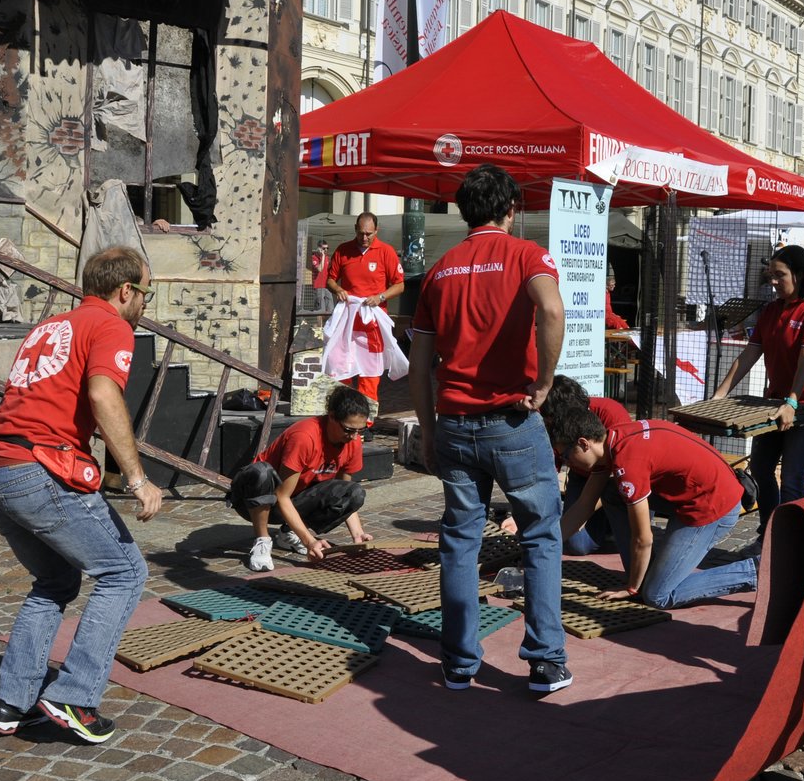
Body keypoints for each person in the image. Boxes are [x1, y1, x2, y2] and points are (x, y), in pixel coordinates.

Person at [0, 246, 163, 745]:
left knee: (56, 580)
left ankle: (10, 703)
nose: (145, 303)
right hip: (39, 470)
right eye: (147, 293)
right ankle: (73, 696)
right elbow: (104, 396)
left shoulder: (50, 325)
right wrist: (139, 480)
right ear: (126, 291)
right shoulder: (112, 325)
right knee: (124, 572)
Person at [408, 164, 571, 693]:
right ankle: (545, 660)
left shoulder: (439, 269)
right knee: (540, 537)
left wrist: (428, 434)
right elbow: (551, 309)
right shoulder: (527, 255)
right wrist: (544, 382)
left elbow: (419, 362)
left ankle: (458, 663)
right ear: (511, 209)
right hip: (513, 420)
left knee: (459, 542)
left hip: (454, 423)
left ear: (462, 212)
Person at [553, 410, 757, 608]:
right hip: (696, 493)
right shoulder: (611, 441)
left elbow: (643, 539)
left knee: (657, 595)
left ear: (583, 443)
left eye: (567, 456)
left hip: (713, 506)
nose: (567, 464)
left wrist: (631, 588)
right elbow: (584, 505)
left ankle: (753, 571)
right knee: (610, 493)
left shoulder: (628, 463)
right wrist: (547, 545)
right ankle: (645, 574)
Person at [711, 244, 804, 540]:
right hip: (774, 403)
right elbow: (750, 354)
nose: (773, 282)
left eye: (780, 275)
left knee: (793, 479)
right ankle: (768, 533)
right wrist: (719, 394)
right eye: (770, 276)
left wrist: (792, 402)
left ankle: (789, 544)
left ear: (801, 274)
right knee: (761, 468)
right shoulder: (771, 311)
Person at [229, 385, 374, 571]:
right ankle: (262, 540)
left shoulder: (352, 442)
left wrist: (358, 534)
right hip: (253, 498)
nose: (354, 437)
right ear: (331, 416)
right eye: (348, 430)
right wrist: (309, 541)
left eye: (360, 431)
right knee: (262, 472)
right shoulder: (305, 436)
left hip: (290, 501)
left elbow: (344, 491)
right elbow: (282, 495)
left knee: (355, 493)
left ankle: (287, 534)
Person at [538, 375, 631, 556]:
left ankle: (613, 524)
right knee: (575, 545)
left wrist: (583, 511)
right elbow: (548, 472)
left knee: (629, 533)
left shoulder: (610, 413)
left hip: (615, 481)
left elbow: (624, 472)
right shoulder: (552, 422)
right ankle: (604, 527)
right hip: (583, 477)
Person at [326, 212, 406, 416]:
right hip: (348, 322)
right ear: (355, 229)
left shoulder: (386, 251)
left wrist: (380, 297)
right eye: (361, 233)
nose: (364, 238)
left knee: (369, 373)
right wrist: (338, 290)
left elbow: (399, 285)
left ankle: (366, 420)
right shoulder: (344, 250)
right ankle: (343, 415)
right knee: (339, 365)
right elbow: (330, 279)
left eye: (369, 234)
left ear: (376, 231)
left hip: (372, 324)